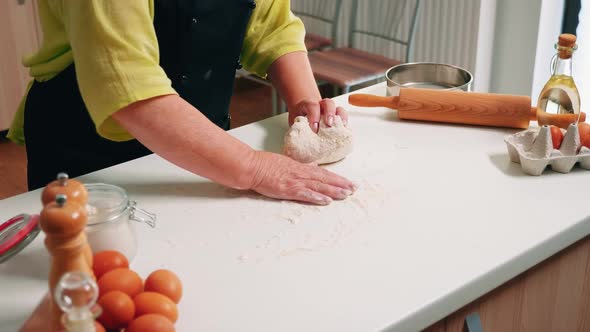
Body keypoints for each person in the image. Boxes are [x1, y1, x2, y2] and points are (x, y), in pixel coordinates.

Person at [7, 0, 356, 205]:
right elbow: (127, 83)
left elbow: (269, 24)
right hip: (89, 150)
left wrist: (305, 102)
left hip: (203, 146)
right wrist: (255, 167)